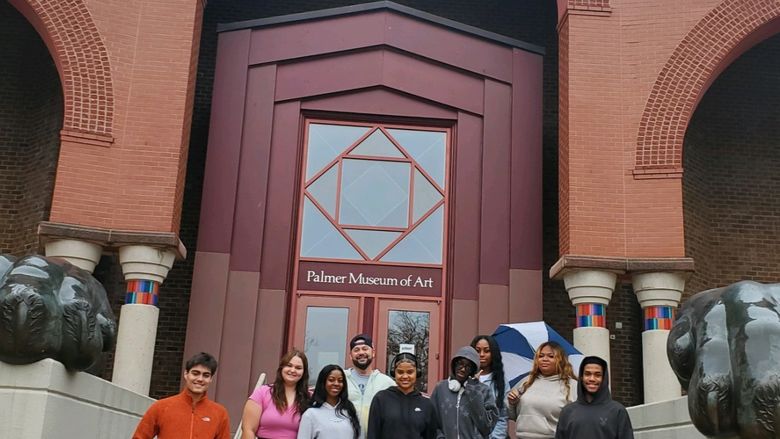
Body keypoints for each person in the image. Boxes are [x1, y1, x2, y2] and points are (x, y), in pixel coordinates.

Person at [132, 352, 230, 439]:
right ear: (186, 374)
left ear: (211, 379)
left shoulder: (220, 413)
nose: (200, 379)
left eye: (206, 375)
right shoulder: (161, 407)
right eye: (195, 373)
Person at [507, 341, 578, 438]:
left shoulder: (573, 386)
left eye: (551, 356)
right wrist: (512, 403)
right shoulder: (526, 382)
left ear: (561, 360)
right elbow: (510, 415)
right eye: (541, 356)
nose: (545, 359)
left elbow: (578, 421)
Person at [554, 356, 634, 439]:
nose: (592, 379)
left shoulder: (617, 411)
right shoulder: (567, 412)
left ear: (604, 379)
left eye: (597, 375)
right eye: (587, 374)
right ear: (581, 377)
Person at [430, 346, 498, 439]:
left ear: (473, 370)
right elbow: (431, 421)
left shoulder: (484, 391)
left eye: (468, 366)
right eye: (460, 364)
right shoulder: (441, 388)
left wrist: (473, 390)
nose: (462, 369)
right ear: (454, 365)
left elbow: (487, 427)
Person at [241, 349, 311, 439]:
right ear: (281, 368)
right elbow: (248, 429)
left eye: (298, 368)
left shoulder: (310, 398)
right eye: (289, 366)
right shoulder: (262, 392)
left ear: (304, 372)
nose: (293, 370)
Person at [366, 353, 438, 439]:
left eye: (410, 372)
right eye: (400, 372)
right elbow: (372, 434)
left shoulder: (426, 404)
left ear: (417, 373)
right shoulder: (381, 399)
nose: (405, 376)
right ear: (394, 373)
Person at [343, 334, 395, 438]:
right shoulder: (341, 379)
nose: (361, 353)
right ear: (350, 355)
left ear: (373, 353)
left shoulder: (387, 383)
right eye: (356, 350)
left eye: (365, 349)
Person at [297, 364, 360, 439]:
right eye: (331, 380)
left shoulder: (351, 411)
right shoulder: (310, 414)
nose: (336, 383)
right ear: (323, 382)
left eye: (340, 380)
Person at [471, 335, 510, 439]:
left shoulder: (501, 382)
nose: (482, 355)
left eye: (487, 351)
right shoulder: (464, 378)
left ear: (493, 354)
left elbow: (502, 417)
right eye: (478, 350)